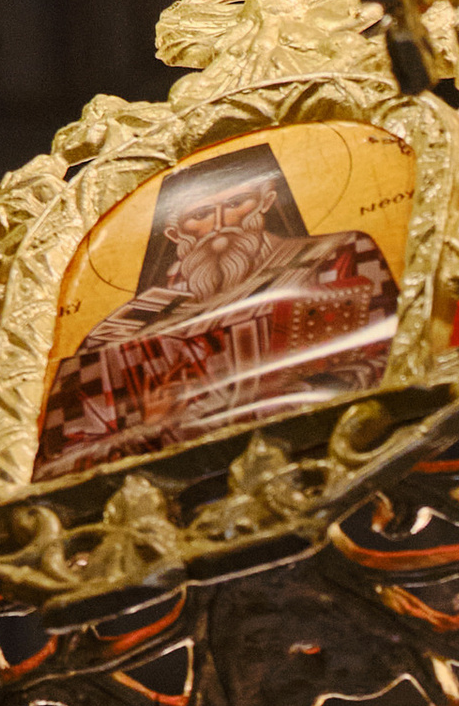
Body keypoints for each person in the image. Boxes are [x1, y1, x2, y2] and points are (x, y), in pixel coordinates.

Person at [38, 139, 402, 475]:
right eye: (199, 215)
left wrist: (286, 395)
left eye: (234, 204)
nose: (220, 226)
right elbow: (58, 468)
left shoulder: (334, 258)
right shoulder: (115, 336)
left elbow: (399, 358)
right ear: (174, 232)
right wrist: (149, 430)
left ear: (265, 201)